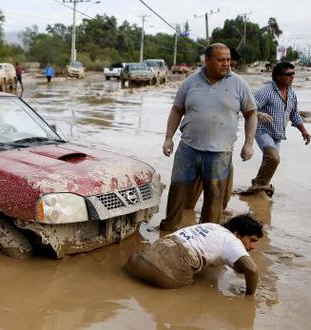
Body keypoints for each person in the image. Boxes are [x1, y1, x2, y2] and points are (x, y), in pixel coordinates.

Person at [160, 43, 258, 231]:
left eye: (228, 60)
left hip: (220, 152)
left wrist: (249, 143)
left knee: (214, 195)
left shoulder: (239, 84)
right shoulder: (190, 82)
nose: (227, 64)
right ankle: (168, 229)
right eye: (221, 60)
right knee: (177, 191)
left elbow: (251, 113)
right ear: (208, 61)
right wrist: (168, 138)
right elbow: (176, 110)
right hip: (188, 148)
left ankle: (207, 234)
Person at [125, 214, 263, 295]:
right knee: (193, 292)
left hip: (136, 261)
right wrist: (249, 295)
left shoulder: (212, 226)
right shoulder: (233, 241)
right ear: (237, 234)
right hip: (162, 276)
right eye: (251, 240)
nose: (252, 246)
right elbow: (252, 270)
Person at [246, 62, 311, 194]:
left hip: (278, 134)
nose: (292, 76)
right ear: (278, 76)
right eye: (288, 74)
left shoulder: (292, 94)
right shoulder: (266, 91)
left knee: (271, 162)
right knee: (273, 158)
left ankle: (260, 189)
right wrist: (259, 114)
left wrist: (304, 131)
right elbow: (249, 107)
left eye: (293, 74)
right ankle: (259, 185)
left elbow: (294, 115)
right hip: (262, 131)